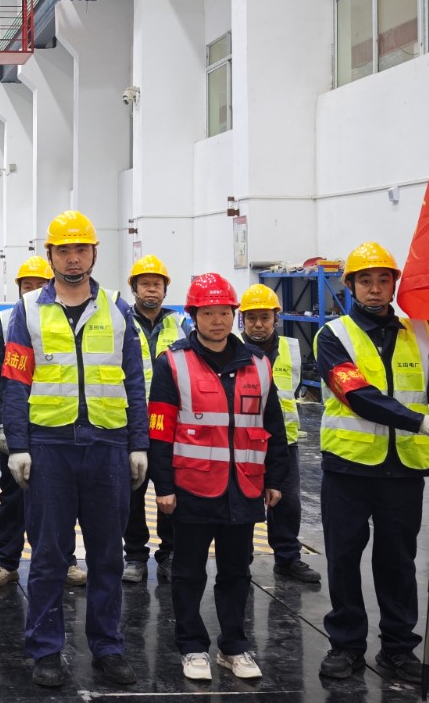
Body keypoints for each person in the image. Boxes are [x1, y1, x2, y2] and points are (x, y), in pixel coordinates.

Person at [0, 210, 146, 688]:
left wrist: (138, 444)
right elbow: (16, 382)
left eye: (81, 249)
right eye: (63, 250)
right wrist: (18, 445)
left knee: (107, 555)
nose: (73, 258)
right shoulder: (27, 310)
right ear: (50, 256)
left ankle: (108, 647)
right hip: (50, 447)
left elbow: (133, 381)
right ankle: (45, 650)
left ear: (94, 254)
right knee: (48, 555)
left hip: (107, 445)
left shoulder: (118, 309)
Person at [315, 242, 429, 684]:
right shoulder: (334, 336)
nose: (375, 288)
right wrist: (421, 422)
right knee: (343, 557)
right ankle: (346, 645)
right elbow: (357, 395)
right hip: (348, 466)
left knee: (398, 561)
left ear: (395, 284)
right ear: (350, 286)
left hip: (403, 469)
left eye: (383, 280)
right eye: (365, 280)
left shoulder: (420, 332)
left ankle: (398, 649)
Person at [149, 273, 291, 682]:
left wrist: (275, 479)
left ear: (234, 315)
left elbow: (273, 426)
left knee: (236, 572)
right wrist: (164, 486)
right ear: (194, 316)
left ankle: (234, 646)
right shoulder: (172, 363)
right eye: (208, 313)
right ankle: (192, 646)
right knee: (188, 572)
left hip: (243, 487)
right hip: (192, 487)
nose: (217, 321)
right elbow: (159, 430)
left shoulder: (258, 365)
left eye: (224, 313)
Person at [0, 256, 84, 589]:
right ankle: (6, 562)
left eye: (39, 285)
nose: (32, 291)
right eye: (27, 285)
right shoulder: (4, 321)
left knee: (62, 497)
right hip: (18, 426)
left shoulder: (66, 318)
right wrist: (1, 424)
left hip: (54, 425)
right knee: (12, 496)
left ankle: (66, 560)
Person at [238, 283, 320, 584]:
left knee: (287, 503)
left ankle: (287, 559)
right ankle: (240, 561)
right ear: (243, 320)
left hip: (284, 441)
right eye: (251, 318)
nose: (258, 324)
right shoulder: (231, 349)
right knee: (244, 502)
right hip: (244, 441)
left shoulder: (291, 349)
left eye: (265, 317)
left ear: (276, 318)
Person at [121, 254, 190, 585]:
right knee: (131, 495)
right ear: (134, 289)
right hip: (130, 422)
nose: (151, 289)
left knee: (170, 492)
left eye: (157, 284)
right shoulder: (121, 322)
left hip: (171, 425)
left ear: (165, 289)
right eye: (145, 284)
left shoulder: (181, 325)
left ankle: (170, 553)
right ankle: (135, 556)